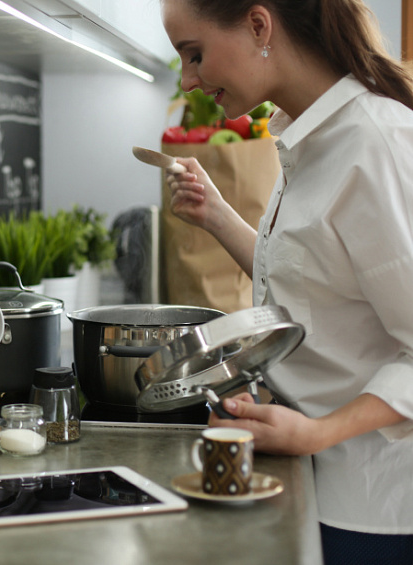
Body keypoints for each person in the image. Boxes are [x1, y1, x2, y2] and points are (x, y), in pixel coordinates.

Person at [159, 1, 413, 563]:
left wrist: (316, 433)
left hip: (372, 509)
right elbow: (311, 288)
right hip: (313, 482)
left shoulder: (377, 144)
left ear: (258, 25)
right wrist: (217, 215)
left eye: (194, 54)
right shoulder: (306, 136)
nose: (188, 79)